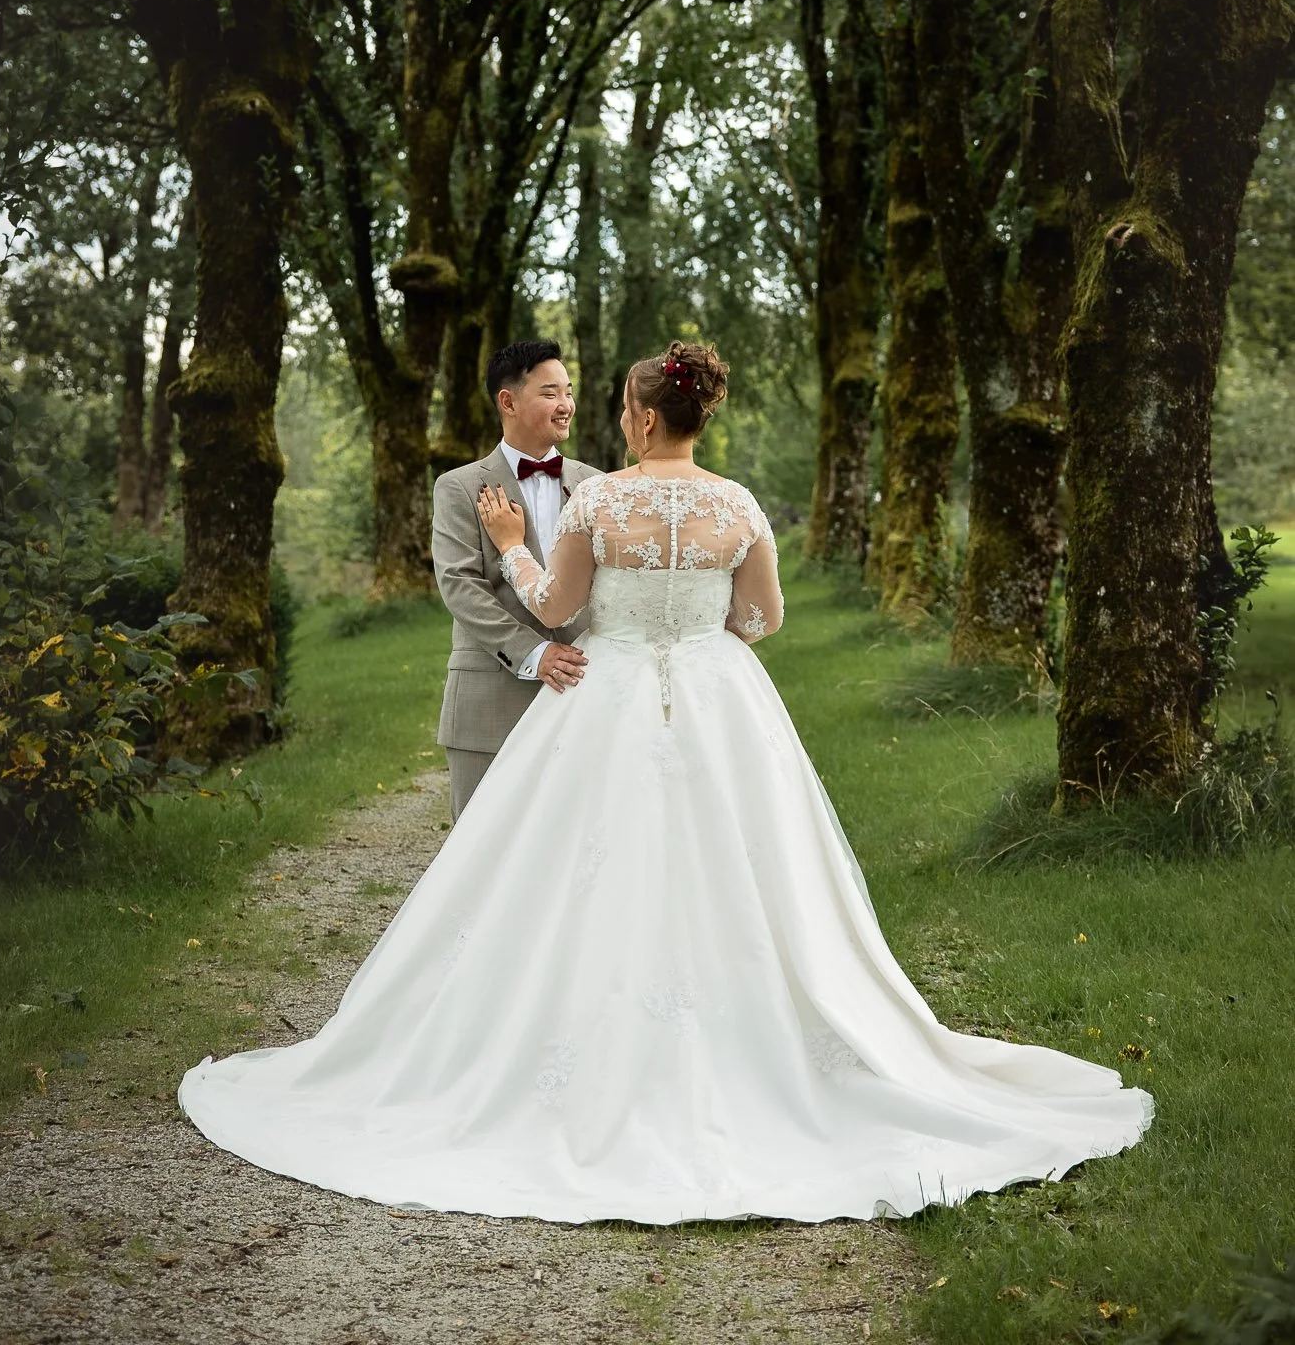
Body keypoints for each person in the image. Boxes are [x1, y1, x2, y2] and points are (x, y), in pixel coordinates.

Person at [178, 340, 1152, 1224]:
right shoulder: (736, 506)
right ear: (697, 415)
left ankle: (554, 1053)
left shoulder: (601, 501)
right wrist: (703, 643)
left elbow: (558, 603)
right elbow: (762, 616)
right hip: (719, 695)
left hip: (606, 696)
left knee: (572, 869)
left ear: (641, 417)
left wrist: (516, 545)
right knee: (745, 871)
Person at [430, 338, 601, 823]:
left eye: (569, 391)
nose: (566, 404)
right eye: (550, 393)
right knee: (479, 850)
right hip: (490, 702)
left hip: (582, 693)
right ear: (508, 401)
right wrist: (535, 652)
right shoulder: (459, 487)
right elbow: (460, 585)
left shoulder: (595, 485)